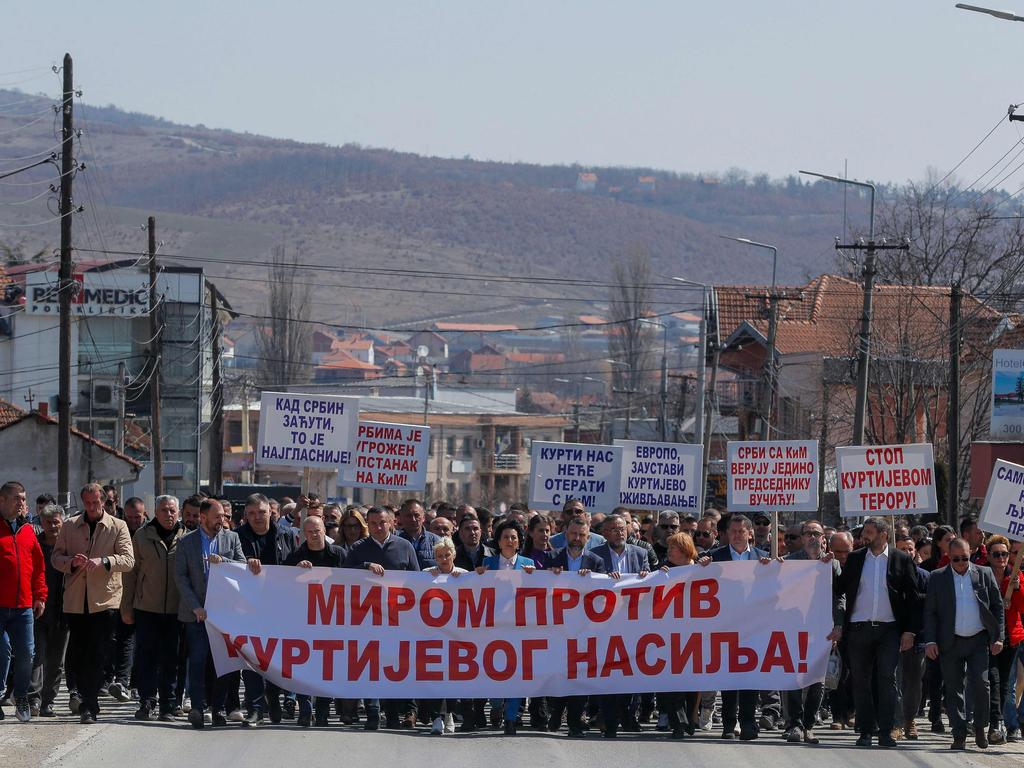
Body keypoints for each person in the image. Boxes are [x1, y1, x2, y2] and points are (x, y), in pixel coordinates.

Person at [51, 483, 134, 724]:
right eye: (87, 503)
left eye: (95, 503)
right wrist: (71, 562)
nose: (91, 507)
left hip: (105, 600)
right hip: (76, 600)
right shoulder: (69, 526)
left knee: (98, 653)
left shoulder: (118, 526)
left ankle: (90, 704)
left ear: (104, 501)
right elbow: (55, 558)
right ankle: (80, 696)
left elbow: (128, 560)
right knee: (78, 652)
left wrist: (104, 560)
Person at [838, 516, 921, 749]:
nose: (866, 536)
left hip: (889, 630)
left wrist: (910, 632)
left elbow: (913, 599)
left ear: (884, 534)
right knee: (861, 681)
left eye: (870, 532)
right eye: (865, 532)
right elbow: (839, 588)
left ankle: (887, 731)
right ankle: (865, 731)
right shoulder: (855, 559)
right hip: (858, 629)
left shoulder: (902, 560)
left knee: (887, 680)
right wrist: (825, 566)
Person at [923, 537, 1004, 751]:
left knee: (981, 685)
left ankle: (979, 727)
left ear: (971, 554)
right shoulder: (937, 577)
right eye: (956, 558)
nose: (961, 563)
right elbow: (930, 612)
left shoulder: (984, 574)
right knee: (953, 689)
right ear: (949, 556)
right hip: (950, 641)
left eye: (965, 558)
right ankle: (959, 733)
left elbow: (997, 607)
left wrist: (999, 637)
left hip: (978, 640)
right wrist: (930, 640)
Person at [344, 506, 419, 730]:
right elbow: (343, 576)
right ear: (367, 524)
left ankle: (394, 714)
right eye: (373, 523)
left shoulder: (405, 546)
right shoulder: (358, 548)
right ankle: (373, 712)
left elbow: (417, 580)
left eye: (382, 522)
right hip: (367, 620)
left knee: (395, 667)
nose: (378, 527)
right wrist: (365, 567)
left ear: (392, 523)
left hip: (398, 619)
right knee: (371, 666)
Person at [174, 498, 246, 729]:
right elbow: (181, 578)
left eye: (224, 517)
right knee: (197, 660)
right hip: (197, 614)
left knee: (221, 663)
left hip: (224, 613)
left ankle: (218, 709)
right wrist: (195, 606)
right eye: (217, 517)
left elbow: (242, 566)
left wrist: (222, 561)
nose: (222, 521)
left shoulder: (231, 538)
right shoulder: (186, 543)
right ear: (202, 518)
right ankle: (197, 707)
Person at [705, 514, 771, 740]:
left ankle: (749, 723)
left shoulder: (763, 558)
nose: (736, 535)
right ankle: (728, 724)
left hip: (754, 626)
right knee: (729, 676)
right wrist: (702, 567)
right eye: (732, 531)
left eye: (740, 531)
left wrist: (775, 567)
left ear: (750, 533)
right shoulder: (714, 557)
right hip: (725, 625)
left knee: (751, 676)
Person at [120, 494, 185, 722]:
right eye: (164, 510)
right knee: (147, 657)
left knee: (171, 659)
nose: (169, 514)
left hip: (177, 610)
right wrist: (126, 606)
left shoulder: (186, 537)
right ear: (155, 512)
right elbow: (131, 574)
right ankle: (147, 701)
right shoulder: (141, 536)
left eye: (172, 510)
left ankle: (168, 704)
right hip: (147, 607)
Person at [235, 493, 298, 725]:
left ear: (271, 512)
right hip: (249, 608)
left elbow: (292, 566)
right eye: (251, 513)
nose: (257, 517)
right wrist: (244, 564)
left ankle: (273, 695)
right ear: (245, 516)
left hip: (280, 608)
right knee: (251, 659)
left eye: (261, 512)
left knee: (276, 658)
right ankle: (254, 708)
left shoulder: (286, 535)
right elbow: (229, 568)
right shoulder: (237, 537)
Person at [781, 519, 844, 745]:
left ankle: (808, 725)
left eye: (816, 534)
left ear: (823, 539)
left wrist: (838, 624)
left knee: (817, 680)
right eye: (807, 534)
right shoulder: (789, 562)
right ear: (802, 538)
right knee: (796, 677)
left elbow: (840, 597)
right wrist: (770, 566)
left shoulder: (832, 564)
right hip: (795, 628)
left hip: (821, 630)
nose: (812, 537)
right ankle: (795, 724)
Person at [475, 518, 535, 734]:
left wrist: (537, 577)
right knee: (494, 671)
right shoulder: (487, 565)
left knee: (517, 675)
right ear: (498, 542)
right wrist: (477, 577)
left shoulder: (530, 565)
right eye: (506, 537)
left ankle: (511, 718)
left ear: (519, 542)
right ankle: (497, 705)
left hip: (520, 628)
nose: (510, 541)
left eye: (514, 538)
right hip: (494, 628)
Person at [284, 516, 346, 728]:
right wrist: (295, 572)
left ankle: (322, 711)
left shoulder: (337, 554)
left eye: (317, 530)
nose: (314, 534)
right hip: (303, 622)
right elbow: (279, 582)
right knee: (303, 668)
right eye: (309, 531)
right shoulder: (295, 556)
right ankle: (304, 708)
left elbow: (353, 578)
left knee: (327, 669)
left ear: (324, 532)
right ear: (303, 534)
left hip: (331, 621)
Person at [548, 515, 605, 738]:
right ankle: (556, 710)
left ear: (588, 537)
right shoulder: (552, 558)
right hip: (558, 628)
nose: (577, 538)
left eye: (582, 535)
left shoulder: (595, 561)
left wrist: (592, 578)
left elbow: (603, 592)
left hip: (584, 629)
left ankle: (573, 722)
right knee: (559, 674)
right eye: (573, 534)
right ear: (565, 535)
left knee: (579, 676)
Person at [0, 481, 46, 722]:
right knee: (2, 650)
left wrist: (40, 596)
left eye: (23, 498)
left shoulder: (28, 531)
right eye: (16, 498)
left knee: (27, 653)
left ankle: (22, 698)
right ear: (2, 501)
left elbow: (38, 568)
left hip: (23, 607)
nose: (21, 503)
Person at [657, 532, 701, 739]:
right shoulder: (665, 570)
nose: (669, 552)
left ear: (684, 549)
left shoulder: (703, 569)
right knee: (672, 682)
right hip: (670, 635)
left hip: (697, 635)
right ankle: (678, 722)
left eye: (673, 548)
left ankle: (690, 719)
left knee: (692, 683)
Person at [105, 496, 148, 702]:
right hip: (122, 594)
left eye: (137, 517)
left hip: (147, 596)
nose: (133, 521)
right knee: (124, 640)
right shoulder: (119, 532)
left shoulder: (148, 534)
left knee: (142, 643)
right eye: (129, 517)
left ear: (144, 514)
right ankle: (121, 681)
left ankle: (137, 683)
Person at [422, 536, 466, 735]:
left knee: (453, 679)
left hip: (457, 636)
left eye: (447, 555)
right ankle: (437, 718)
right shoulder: (425, 575)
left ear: (454, 555)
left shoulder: (465, 575)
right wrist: (426, 580)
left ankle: (449, 713)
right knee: (435, 678)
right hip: (433, 636)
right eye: (439, 556)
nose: (443, 559)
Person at [27, 503, 65, 718]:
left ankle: (48, 702)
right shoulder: (35, 544)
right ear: (41, 523)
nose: (52, 526)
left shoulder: (68, 546)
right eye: (48, 522)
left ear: (62, 521)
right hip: (38, 607)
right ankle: (34, 698)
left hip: (63, 610)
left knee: (56, 660)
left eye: (56, 521)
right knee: (37, 656)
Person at [986, 535, 1024, 743]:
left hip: (1011, 637)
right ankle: (993, 721)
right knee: (992, 680)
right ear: (989, 556)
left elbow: (1023, 607)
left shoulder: (1016, 576)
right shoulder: (982, 575)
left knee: (1006, 684)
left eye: (1004, 554)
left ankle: (1002, 724)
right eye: (996, 554)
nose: (1001, 557)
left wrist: (1016, 590)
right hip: (988, 637)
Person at [894, 535, 930, 741]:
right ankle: (895, 722)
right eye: (902, 549)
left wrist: (914, 597)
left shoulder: (925, 577)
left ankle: (910, 720)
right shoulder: (889, 574)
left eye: (910, 548)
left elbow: (931, 605)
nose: (907, 552)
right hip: (893, 637)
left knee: (914, 682)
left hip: (918, 638)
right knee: (894, 681)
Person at [397, 498, 440, 570]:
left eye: (416, 515)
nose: (413, 519)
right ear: (401, 517)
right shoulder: (394, 541)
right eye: (408, 516)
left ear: (423, 517)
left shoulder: (437, 542)